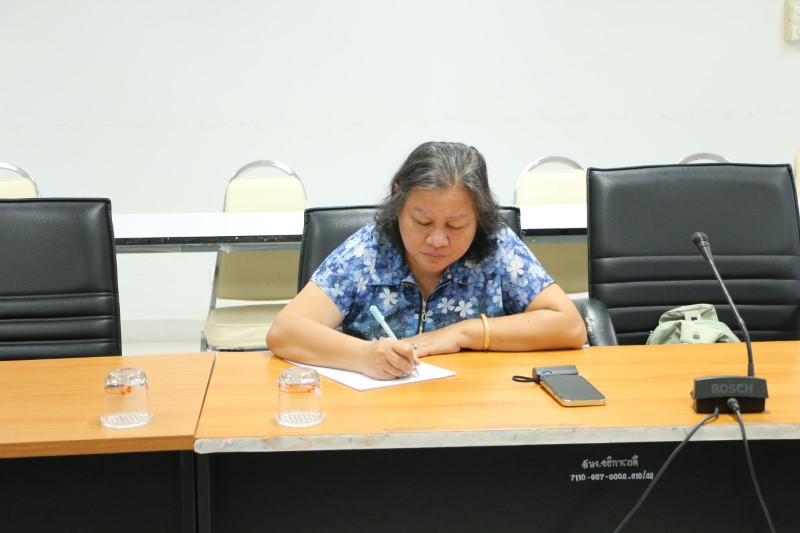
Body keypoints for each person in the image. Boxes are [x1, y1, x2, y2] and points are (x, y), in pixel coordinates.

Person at [267, 141, 587, 380]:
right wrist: (363, 355)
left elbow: (570, 326)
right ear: (399, 199)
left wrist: (462, 333)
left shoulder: (496, 246)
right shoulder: (369, 250)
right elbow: (285, 331)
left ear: (479, 216)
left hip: (477, 412)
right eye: (422, 221)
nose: (437, 240)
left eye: (456, 225)